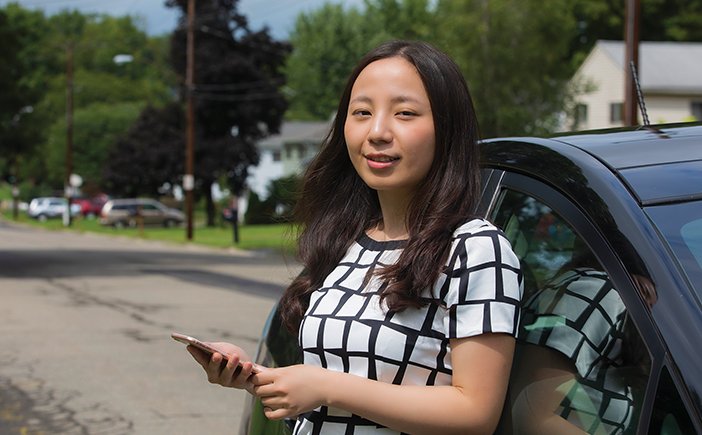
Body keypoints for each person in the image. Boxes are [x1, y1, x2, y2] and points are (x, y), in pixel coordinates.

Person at [186, 40, 524, 435]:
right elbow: (327, 387)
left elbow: (475, 413)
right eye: (361, 112)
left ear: (447, 129)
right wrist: (255, 375)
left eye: (405, 113)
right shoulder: (346, 243)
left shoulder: (475, 248)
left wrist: (327, 387)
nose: (377, 132)